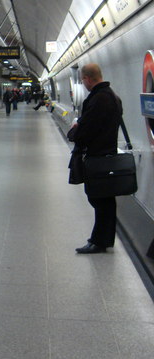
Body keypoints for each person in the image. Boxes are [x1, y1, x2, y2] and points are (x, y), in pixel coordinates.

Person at [67, 63, 122, 254]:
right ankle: (102, 239)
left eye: (83, 80)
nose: (83, 84)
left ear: (87, 79)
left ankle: (99, 241)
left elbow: (86, 131)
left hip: (98, 157)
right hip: (106, 154)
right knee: (104, 199)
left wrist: (74, 132)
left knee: (100, 199)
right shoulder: (112, 96)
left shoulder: (99, 99)